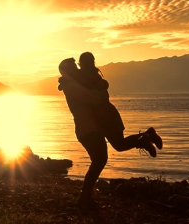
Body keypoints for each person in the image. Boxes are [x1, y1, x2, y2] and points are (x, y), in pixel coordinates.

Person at [58, 54, 163, 209]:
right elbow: (94, 97)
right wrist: (102, 87)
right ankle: (145, 137)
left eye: (77, 66)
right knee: (107, 154)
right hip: (90, 126)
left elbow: (97, 95)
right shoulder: (73, 85)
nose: (77, 69)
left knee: (105, 156)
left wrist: (101, 86)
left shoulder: (83, 80)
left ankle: (84, 198)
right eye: (73, 68)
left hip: (99, 122)